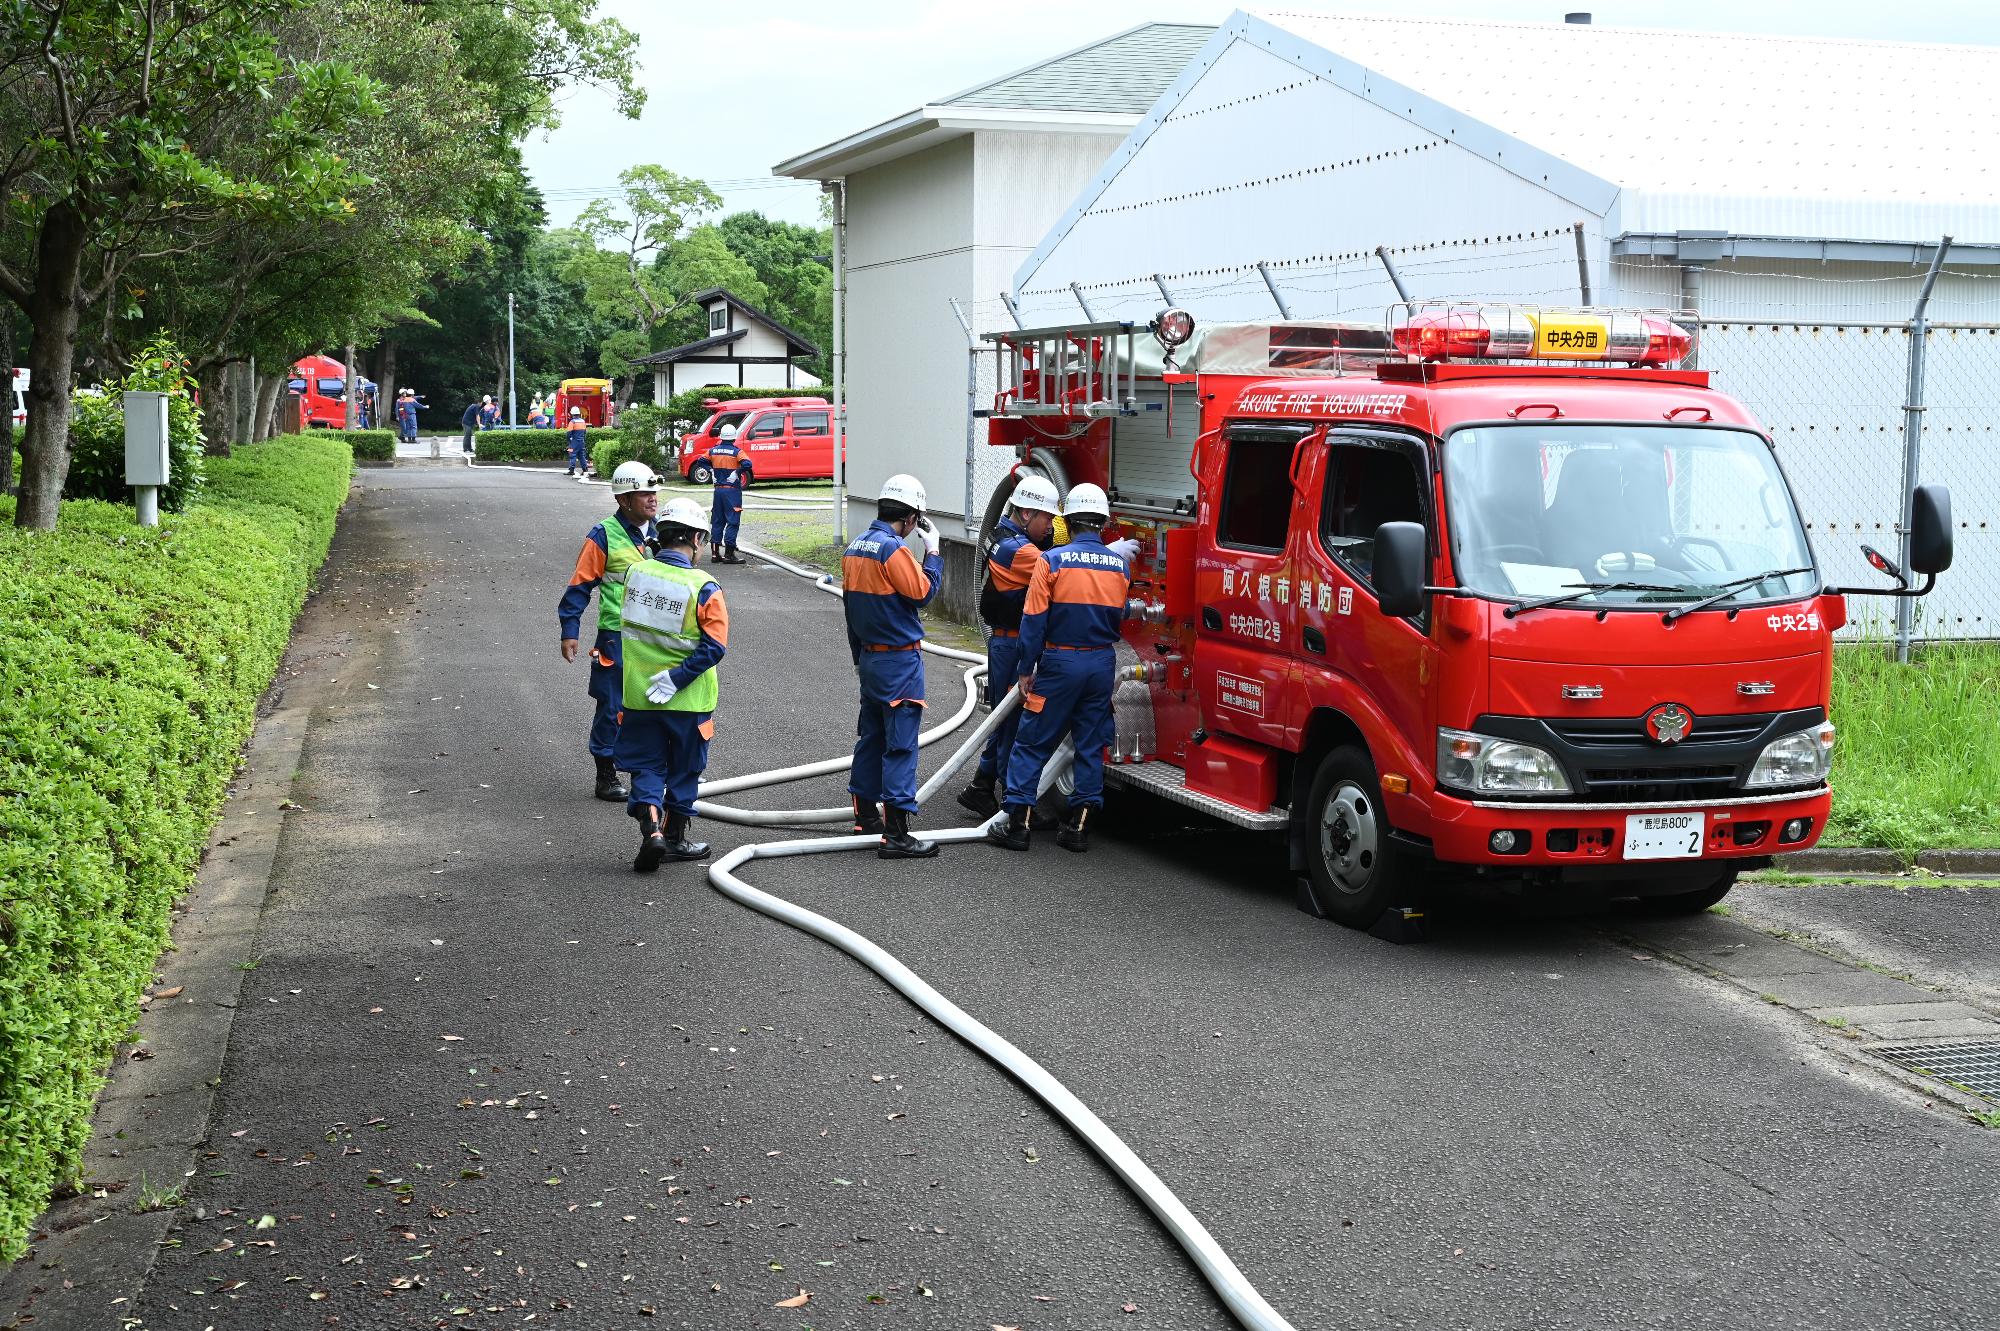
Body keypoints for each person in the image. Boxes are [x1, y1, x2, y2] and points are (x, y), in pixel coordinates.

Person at [987, 483, 1141, 853]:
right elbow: (1119, 615)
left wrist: (1026, 668)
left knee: (1032, 741)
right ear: (1102, 523)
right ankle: (1078, 829)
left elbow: (1034, 620)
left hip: (1059, 662)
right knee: (1090, 746)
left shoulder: (1051, 561)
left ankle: (1019, 826)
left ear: (1068, 522)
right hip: (1102, 663)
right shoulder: (1120, 565)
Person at [617, 496, 728, 871]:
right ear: (696, 538)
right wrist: (678, 677)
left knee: (647, 767)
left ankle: (652, 832)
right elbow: (714, 647)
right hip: (690, 700)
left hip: (639, 695)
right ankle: (677, 837)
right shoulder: (704, 587)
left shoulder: (636, 573)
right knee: (684, 769)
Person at [842, 474, 944, 859]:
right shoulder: (892, 550)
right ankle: (897, 834)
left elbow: (850, 608)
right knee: (900, 744)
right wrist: (933, 553)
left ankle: (865, 816)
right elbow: (924, 593)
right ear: (912, 518)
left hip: (869, 657)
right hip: (900, 659)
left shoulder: (855, 547)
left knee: (871, 737)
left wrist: (858, 657)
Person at [956, 473, 1062, 817]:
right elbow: (1061, 570)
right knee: (1012, 722)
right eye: (1047, 518)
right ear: (1027, 514)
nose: (1050, 526)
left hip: (1008, 642)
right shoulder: (1018, 550)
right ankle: (1011, 807)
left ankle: (981, 787)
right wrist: (1103, 553)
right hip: (1013, 644)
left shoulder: (1003, 536)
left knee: (1003, 718)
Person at [558, 461, 661, 804]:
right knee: (613, 705)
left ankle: (648, 769)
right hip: (616, 635)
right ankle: (606, 773)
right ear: (624, 500)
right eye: (643, 493)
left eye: (653, 491)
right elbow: (579, 586)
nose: (652, 499)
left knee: (654, 704)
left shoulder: (661, 532)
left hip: (656, 637)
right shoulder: (602, 536)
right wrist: (570, 630)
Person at [707, 422, 746, 564]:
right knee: (733, 521)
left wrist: (712, 470)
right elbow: (748, 464)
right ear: (734, 438)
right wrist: (738, 471)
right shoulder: (737, 452)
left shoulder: (713, 451)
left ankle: (715, 554)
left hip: (718, 491)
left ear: (721, 437)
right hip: (732, 492)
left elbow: (701, 461)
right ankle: (729, 555)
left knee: (717, 521)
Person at [565, 408, 590, 479]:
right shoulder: (583, 421)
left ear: (572, 414)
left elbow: (569, 433)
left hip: (574, 442)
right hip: (581, 442)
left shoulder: (572, 422)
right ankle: (585, 470)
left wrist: (569, 441)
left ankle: (571, 470)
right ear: (579, 414)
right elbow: (585, 432)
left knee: (572, 454)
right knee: (582, 456)